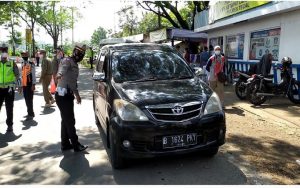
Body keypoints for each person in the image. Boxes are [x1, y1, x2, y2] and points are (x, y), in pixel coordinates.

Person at [55, 44, 88, 152]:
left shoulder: (74, 63)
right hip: (62, 95)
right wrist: (59, 74)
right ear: (74, 51)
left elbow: (72, 82)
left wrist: (76, 95)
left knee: (65, 121)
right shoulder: (67, 60)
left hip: (67, 95)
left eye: (81, 54)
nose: (79, 55)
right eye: (78, 52)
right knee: (70, 121)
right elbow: (62, 70)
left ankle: (65, 144)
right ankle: (76, 144)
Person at [0, 45, 21, 132]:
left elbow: (17, 75)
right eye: (2, 50)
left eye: (5, 50)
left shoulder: (12, 63)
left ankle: (10, 125)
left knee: (9, 108)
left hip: (9, 89)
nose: (4, 51)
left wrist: (19, 86)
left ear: (7, 51)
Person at [21, 51, 36, 120]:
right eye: (22, 55)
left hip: (30, 84)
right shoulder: (22, 63)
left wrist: (33, 84)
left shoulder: (31, 64)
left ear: (27, 55)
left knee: (29, 99)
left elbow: (33, 75)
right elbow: (22, 75)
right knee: (26, 99)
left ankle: (31, 113)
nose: (23, 56)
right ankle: (29, 112)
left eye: (24, 55)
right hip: (24, 84)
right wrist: (21, 85)